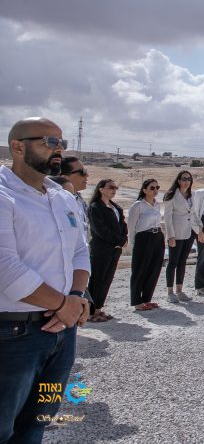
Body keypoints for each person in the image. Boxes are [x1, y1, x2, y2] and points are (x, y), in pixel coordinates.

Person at [0, 118, 91, 444]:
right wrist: (65, 305)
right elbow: (6, 269)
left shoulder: (61, 197)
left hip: (61, 334)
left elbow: (80, 251)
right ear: (18, 147)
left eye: (61, 142)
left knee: (37, 422)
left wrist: (76, 296)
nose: (59, 149)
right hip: (14, 335)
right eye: (49, 142)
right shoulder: (4, 195)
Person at [87, 179, 127, 322]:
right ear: (101, 189)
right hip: (101, 249)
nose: (114, 190)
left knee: (106, 280)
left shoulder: (115, 207)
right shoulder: (95, 207)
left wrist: (124, 239)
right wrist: (119, 240)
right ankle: (90, 312)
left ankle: (98, 309)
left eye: (115, 188)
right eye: (111, 187)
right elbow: (100, 230)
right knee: (97, 280)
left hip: (114, 250)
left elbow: (123, 225)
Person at [129, 178, 165, 309]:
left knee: (154, 268)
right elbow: (131, 227)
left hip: (157, 236)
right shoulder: (138, 205)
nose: (155, 190)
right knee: (140, 269)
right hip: (143, 238)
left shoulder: (157, 204)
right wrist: (134, 244)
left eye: (157, 187)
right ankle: (137, 302)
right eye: (152, 188)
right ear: (144, 190)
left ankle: (147, 299)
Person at [162, 171, 196, 303]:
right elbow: (167, 217)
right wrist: (170, 236)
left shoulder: (191, 195)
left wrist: (199, 229)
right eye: (184, 178)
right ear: (178, 180)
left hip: (188, 232)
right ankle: (170, 292)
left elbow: (193, 213)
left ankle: (179, 290)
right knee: (173, 262)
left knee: (183, 261)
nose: (187, 181)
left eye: (189, 179)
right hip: (176, 233)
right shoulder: (171, 195)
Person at [59, 156, 90, 236]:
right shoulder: (57, 202)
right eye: (82, 172)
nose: (87, 175)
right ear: (65, 177)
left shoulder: (79, 199)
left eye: (85, 171)